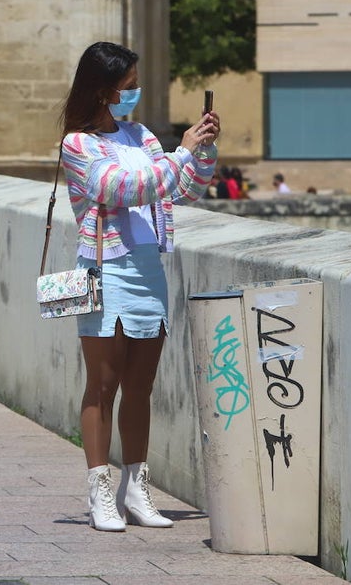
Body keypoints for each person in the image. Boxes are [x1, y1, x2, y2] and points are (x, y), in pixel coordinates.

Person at [57, 41, 218, 533]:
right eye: (128, 87)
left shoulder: (141, 136)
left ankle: (137, 486)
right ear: (103, 91)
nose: (135, 94)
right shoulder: (78, 145)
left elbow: (184, 187)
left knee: (141, 388)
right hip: (106, 271)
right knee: (102, 386)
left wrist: (203, 150)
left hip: (148, 270)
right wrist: (182, 153)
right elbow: (124, 189)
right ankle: (99, 489)